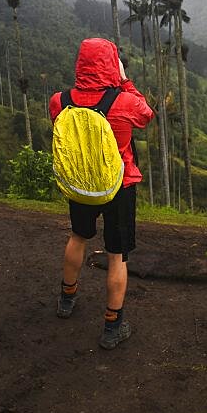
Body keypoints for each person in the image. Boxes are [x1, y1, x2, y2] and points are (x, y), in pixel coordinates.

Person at [49, 38, 153, 349]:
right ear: (111, 64)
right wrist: (124, 81)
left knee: (78, 237)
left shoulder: (60, 100)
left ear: (80, 64)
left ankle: (66, 300)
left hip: (81, 184)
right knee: (117, 254)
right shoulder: (123, 102)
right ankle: (112, 326)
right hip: (117, 186)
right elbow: (146, 114)